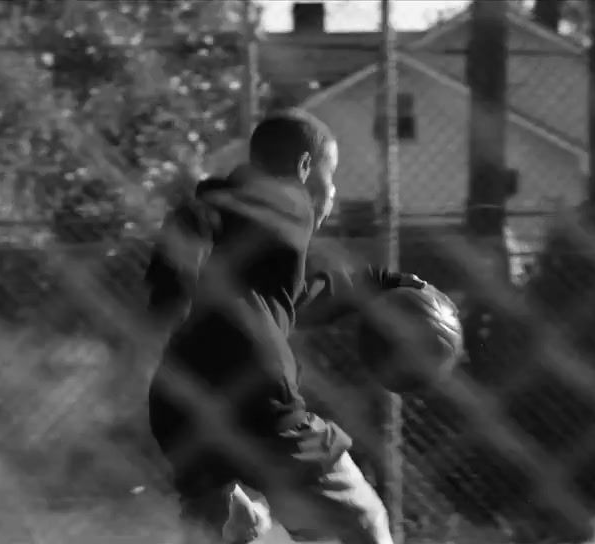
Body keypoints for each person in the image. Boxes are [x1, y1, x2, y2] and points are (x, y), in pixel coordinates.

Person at [144, 109, 424, 544]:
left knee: (239, 528)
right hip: (258, 404)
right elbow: (205, 220)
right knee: (367, 521)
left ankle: (238, 516)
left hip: (178, 409)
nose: (331, 194)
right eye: (330, 178)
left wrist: (382, 281)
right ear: (305, 168)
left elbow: (302, 297)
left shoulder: (241, 234)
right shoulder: (287, 202)